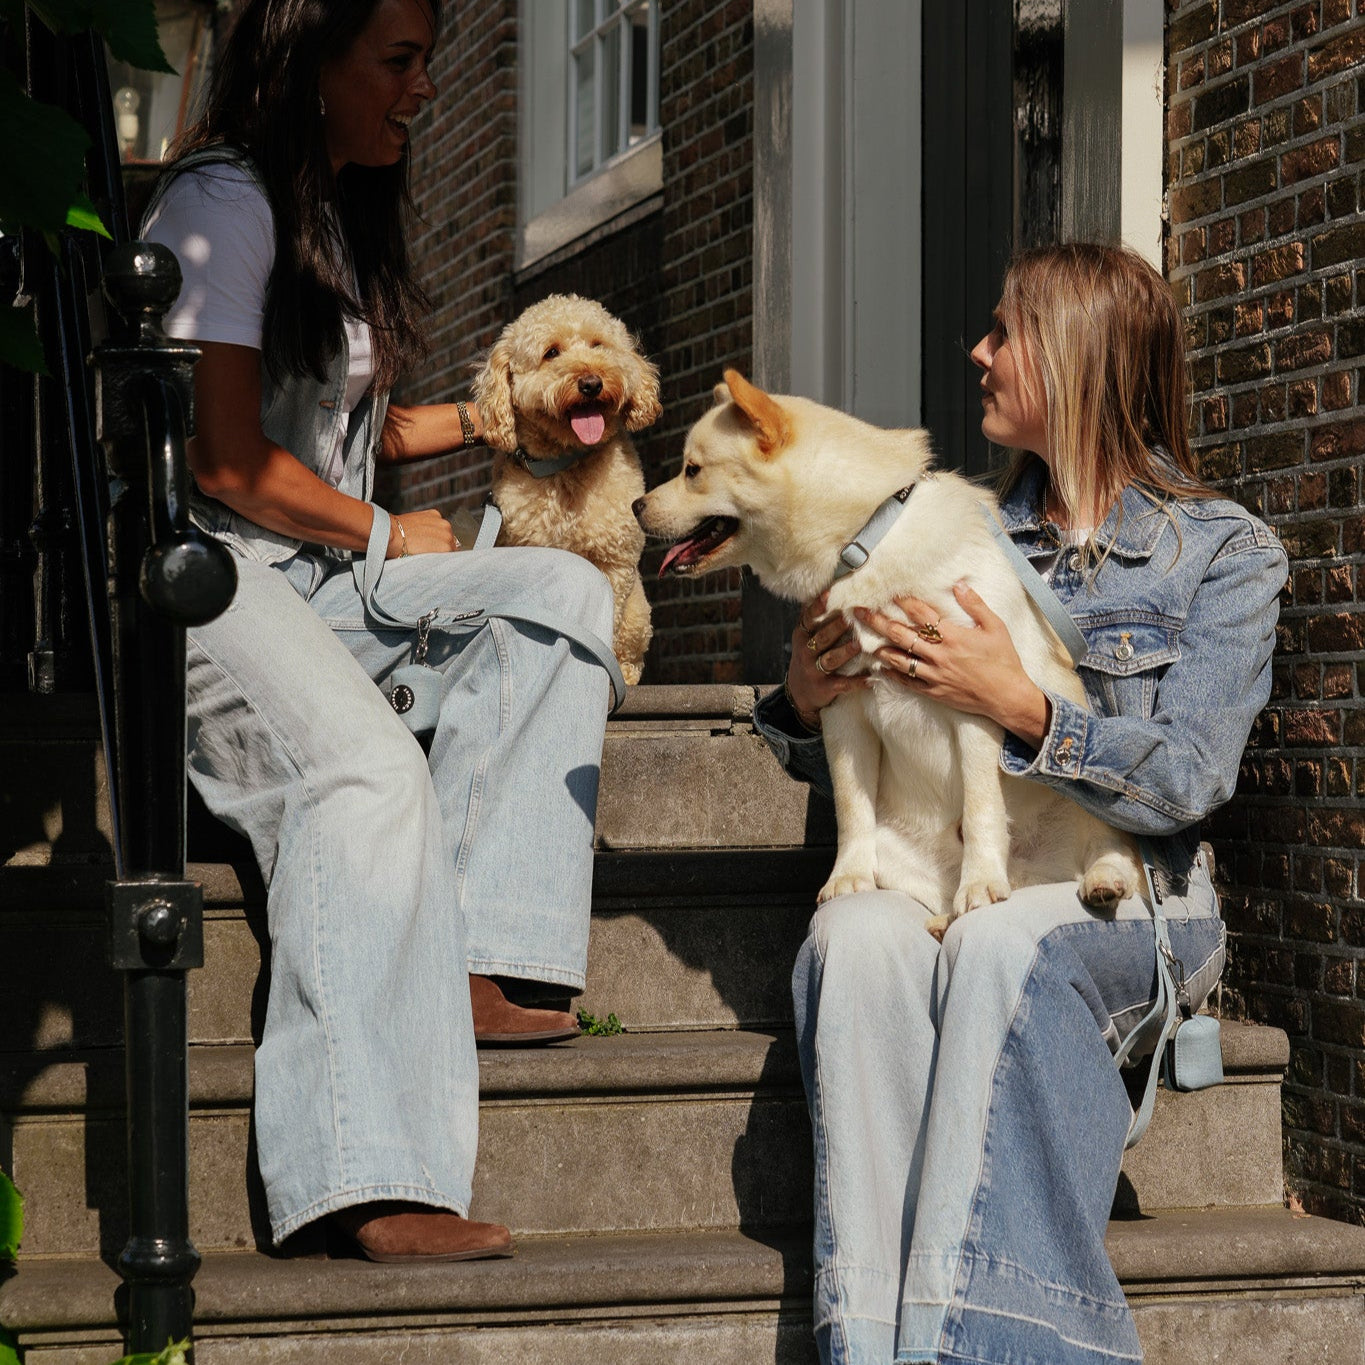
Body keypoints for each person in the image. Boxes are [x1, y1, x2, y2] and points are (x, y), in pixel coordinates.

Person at [143, 0, 618, 1263]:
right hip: (220, 579)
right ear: (310, 64)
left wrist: (489, 423)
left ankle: (478, 954)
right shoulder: (225, 204)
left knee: (560, 595)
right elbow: (228, 460)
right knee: (367, 772)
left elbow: (346, 432)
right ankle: (361, 1172)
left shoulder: (338, 215)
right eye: (399, 63)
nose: (422, 92)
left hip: (324, 569)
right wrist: (372, 528)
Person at [753, 243, 1286, 1363]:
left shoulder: (1225, 554)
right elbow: (882, 758)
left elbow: (1192, 777)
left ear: (1075, 355)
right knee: (852, 942)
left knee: (1002, 950)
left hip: (1132, 890)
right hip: (942, 863)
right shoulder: (949, 534)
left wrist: (1029, 712)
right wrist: (802, 707)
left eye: (1003, 334)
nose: (977, 353)